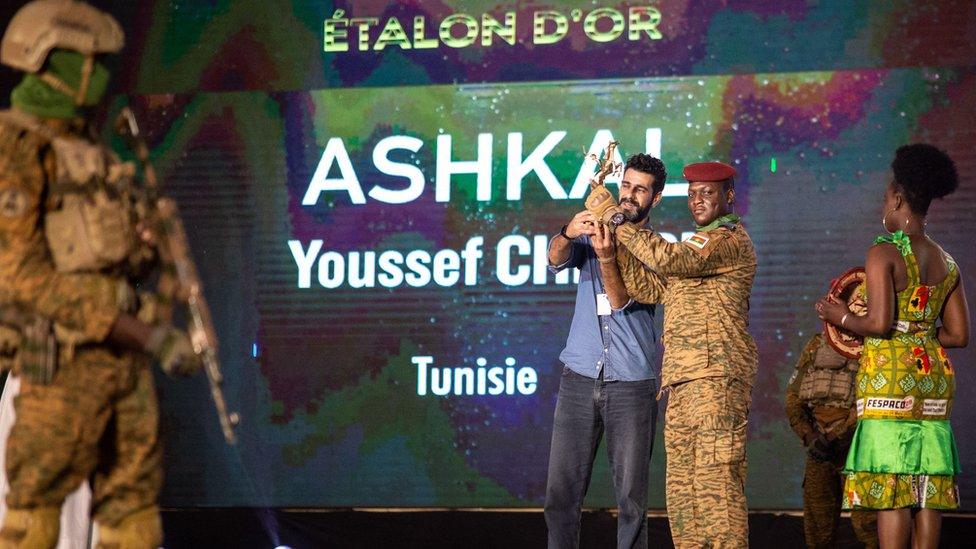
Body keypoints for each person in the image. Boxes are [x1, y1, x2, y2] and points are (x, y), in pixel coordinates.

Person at [0, 1, 201, 547]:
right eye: (92, 62)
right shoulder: (16, 150)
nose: (105, 76)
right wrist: (144, 333)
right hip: (55, 366)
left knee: (132, 513)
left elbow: (111, 260)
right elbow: (23, 278)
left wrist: (151, 255)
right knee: (38, 516)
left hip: (118, 368)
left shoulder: (93, 155)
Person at [587, 160, 758, 548]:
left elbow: (668, 259)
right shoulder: (693, 249)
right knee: (684, 501)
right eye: (693, 193)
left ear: (729, 196)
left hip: (715, 381)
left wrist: (615, 216)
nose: (697, 201)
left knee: (718, 496)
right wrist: (610, 248)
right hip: (681, 386)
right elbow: (645, 287)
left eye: (708, 193)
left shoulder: (727, 241)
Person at [817, 144, 969, 549]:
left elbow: (878, 324)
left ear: (898, 198)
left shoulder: (883, 253)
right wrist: (919, 333)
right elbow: (957, 335)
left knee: (892, 488)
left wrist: (841, 317)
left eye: (886, 197)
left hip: (891, 384)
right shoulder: (947, 261)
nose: (884, 205)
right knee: (926, 490)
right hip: (934, 385)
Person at [544, 154, 668, 549]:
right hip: (579, 374)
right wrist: (567, 232)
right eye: (626, 186)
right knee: (560, 495)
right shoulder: (592, 229)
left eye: (640, 190)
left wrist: (608, 255)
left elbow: (621, 301)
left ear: (656, 199)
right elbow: (553, 258)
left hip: (631, 382)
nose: (629, 197)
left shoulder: (660, 250)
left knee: (631, 500)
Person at [785, 331, 878, 549]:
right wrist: (808, 434)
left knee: (869, 527)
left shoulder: (873, 346)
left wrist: (838, 435)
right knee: (818, 529)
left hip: (857, 450)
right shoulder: (816, 343)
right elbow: (793, 395)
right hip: (819, 449)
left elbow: (872, 398)